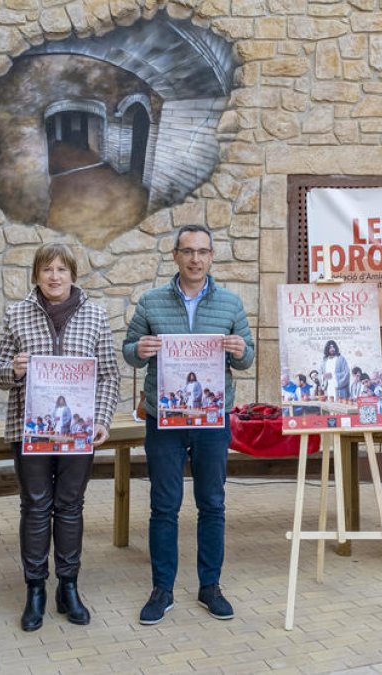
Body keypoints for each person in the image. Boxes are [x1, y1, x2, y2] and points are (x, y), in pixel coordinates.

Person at [123, 223, 254, 625]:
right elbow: (129, 351)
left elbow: (247, 358)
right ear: (176, 256)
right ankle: (162, 588)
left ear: (211, 256)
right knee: (164, 506)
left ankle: (209, 586)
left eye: (202, 251)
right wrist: (140, 349)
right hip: (164, 420)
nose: (195, 259)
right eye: (188, 251)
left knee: (212, 503)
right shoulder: (151, 301)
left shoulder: (230, 303)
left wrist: (240, 350)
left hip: (212, 421)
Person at [0, 243, 121, 632]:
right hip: (29, 432)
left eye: (62, 269)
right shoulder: (17, 314)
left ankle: (68, 585)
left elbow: (108, 375)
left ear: (73, 275)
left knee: (70, 506)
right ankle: (35, 590)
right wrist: (13, 370)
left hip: (78, 432)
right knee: (35, 506)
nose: (54, 276)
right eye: (47, 269)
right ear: (37, 275)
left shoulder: (95, 316)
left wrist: (101, 419)